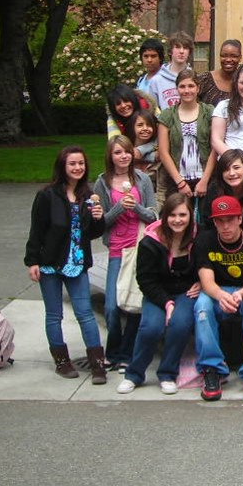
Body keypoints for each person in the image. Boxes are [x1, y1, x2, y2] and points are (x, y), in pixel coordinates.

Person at [24, 145, 108, 383]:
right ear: (62, 166)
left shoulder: (87, 197)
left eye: (81, 163)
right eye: (72, 163)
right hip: (50, 264)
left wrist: (98, 218)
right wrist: (33, 261)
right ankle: (62, 361)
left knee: (85, 313)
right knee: (54, 315)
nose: (77, 168)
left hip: (77, 264)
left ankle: (97, 364)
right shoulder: (47, 196)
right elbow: (36, 230)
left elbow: (92, 233)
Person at [116, 193, 200, 395]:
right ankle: (134, 374)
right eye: (172, 215)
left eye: (182, 215)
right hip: (157, 292)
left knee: (180, 324)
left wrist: (201, 282)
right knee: (150, 327)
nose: (177, 220)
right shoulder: (150, 242)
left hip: (186, 292)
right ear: (164, 217)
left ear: (190, 216)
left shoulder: (199, 237)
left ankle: (167, 373)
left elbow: (206, 265)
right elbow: (145, 280)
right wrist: (166, 303)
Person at [192, 195, 243, 403]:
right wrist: (221, 295)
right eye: (220, 221)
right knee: (202, 305)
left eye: (230, 219)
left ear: (239, 219)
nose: (225, 226)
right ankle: (212, 368)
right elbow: (206, 280)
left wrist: (239, 294)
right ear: (214, 222)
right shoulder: (204, 240)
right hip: (218, 290)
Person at [93, 135, 157, 372]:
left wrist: (136, 207)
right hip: (117, 249)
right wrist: (120, 207)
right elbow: (101, 223)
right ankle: (113, 350)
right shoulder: (103, 182)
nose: (123, 156)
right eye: (118, 153)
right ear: (110, 156)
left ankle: (125, 355)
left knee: (133, 302)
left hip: (139, 248)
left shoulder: (141, 180)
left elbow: (153, 216)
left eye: (127, 152)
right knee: (112, 306)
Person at [156, 68, 215, 199]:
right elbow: (163, 152)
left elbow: (214, 149)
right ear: (177, 89)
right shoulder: (167, 115)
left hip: (205, 179)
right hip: (177, 181)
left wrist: (205, 180)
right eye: (182, 86)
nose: (187, 90)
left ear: (198, 88)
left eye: (191, 86)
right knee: (179, 218)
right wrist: (180, 183)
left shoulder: (209, 112)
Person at [149, 31, 193, 109]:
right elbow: (153, 110)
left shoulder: (195, 79)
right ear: (170, 51)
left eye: (185, 48)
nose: (181, 51)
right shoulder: (156, 81)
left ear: (189, 52)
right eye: (177, 47)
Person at [197, 39, 242, 107]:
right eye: (224, 56)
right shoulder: (204, 80)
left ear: (240, 58)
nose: (228, 60)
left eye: (233, 56)